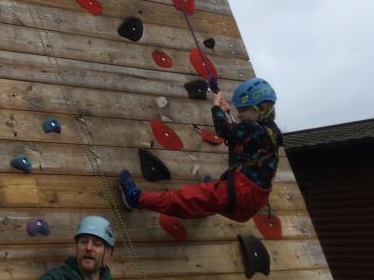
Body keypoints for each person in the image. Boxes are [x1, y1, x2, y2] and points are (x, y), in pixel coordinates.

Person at [118, 77, 282, 222]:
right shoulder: (272, 131)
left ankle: (136, 198)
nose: (239, 115)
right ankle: (209, 199)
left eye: (243, 110)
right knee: (209, 201)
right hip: (254, 200)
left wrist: (216, 107)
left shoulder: (254, 129)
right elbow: (240, 136)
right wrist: (226, 113)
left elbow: (225, 131)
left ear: (262, 109)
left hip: (239, 194)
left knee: (185, 199)